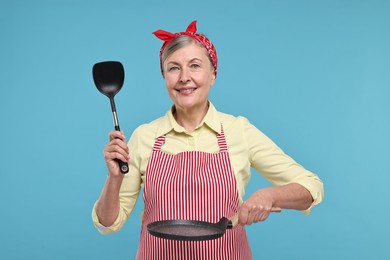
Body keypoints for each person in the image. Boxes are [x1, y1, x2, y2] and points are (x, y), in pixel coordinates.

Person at [92, 20, 324, 259]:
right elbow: (107, 224)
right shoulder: (144, 136)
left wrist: (270, 195)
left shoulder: (238, 130)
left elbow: (311, 187)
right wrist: (114, 178)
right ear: (164, 77)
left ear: (213, 74)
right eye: (173, 68)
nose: (184, 77)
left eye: (194, 66)